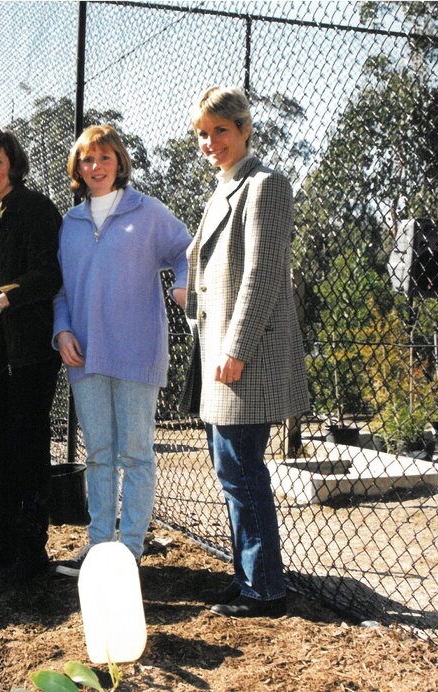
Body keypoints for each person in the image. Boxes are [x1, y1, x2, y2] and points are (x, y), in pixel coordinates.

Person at [183, 86, 309, 618]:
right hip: (217, 352)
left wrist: (234, 348)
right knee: (229, 467)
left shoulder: (266, 185)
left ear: (245, 130)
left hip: (243, 357)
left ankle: (265, 589)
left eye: (221, 131)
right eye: (204, 134)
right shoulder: (222, 188)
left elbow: (261, 275)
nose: (212, 142)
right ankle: (249, 577)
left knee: (241, 468)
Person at [53, 125, 190, 576]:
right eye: (88, 160)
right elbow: (60, 291)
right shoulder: (70, 225)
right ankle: (99, 550)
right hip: (84, 356)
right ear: (78, 168)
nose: (96, 167)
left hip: (135, 353)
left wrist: (186, 285)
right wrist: (61, 331)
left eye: (105, 158)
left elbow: (188, 250)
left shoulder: (146, 212)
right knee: (99, 454)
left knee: (135, 454)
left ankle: (129, 551)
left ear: (120, 163)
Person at [0, 127, 63, 582]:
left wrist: (2, 300)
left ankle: (31, 552)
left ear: (13, 165)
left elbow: (48, 273)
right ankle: (4, 547)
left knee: (28, 446)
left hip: (28, 351)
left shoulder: (37, 209)